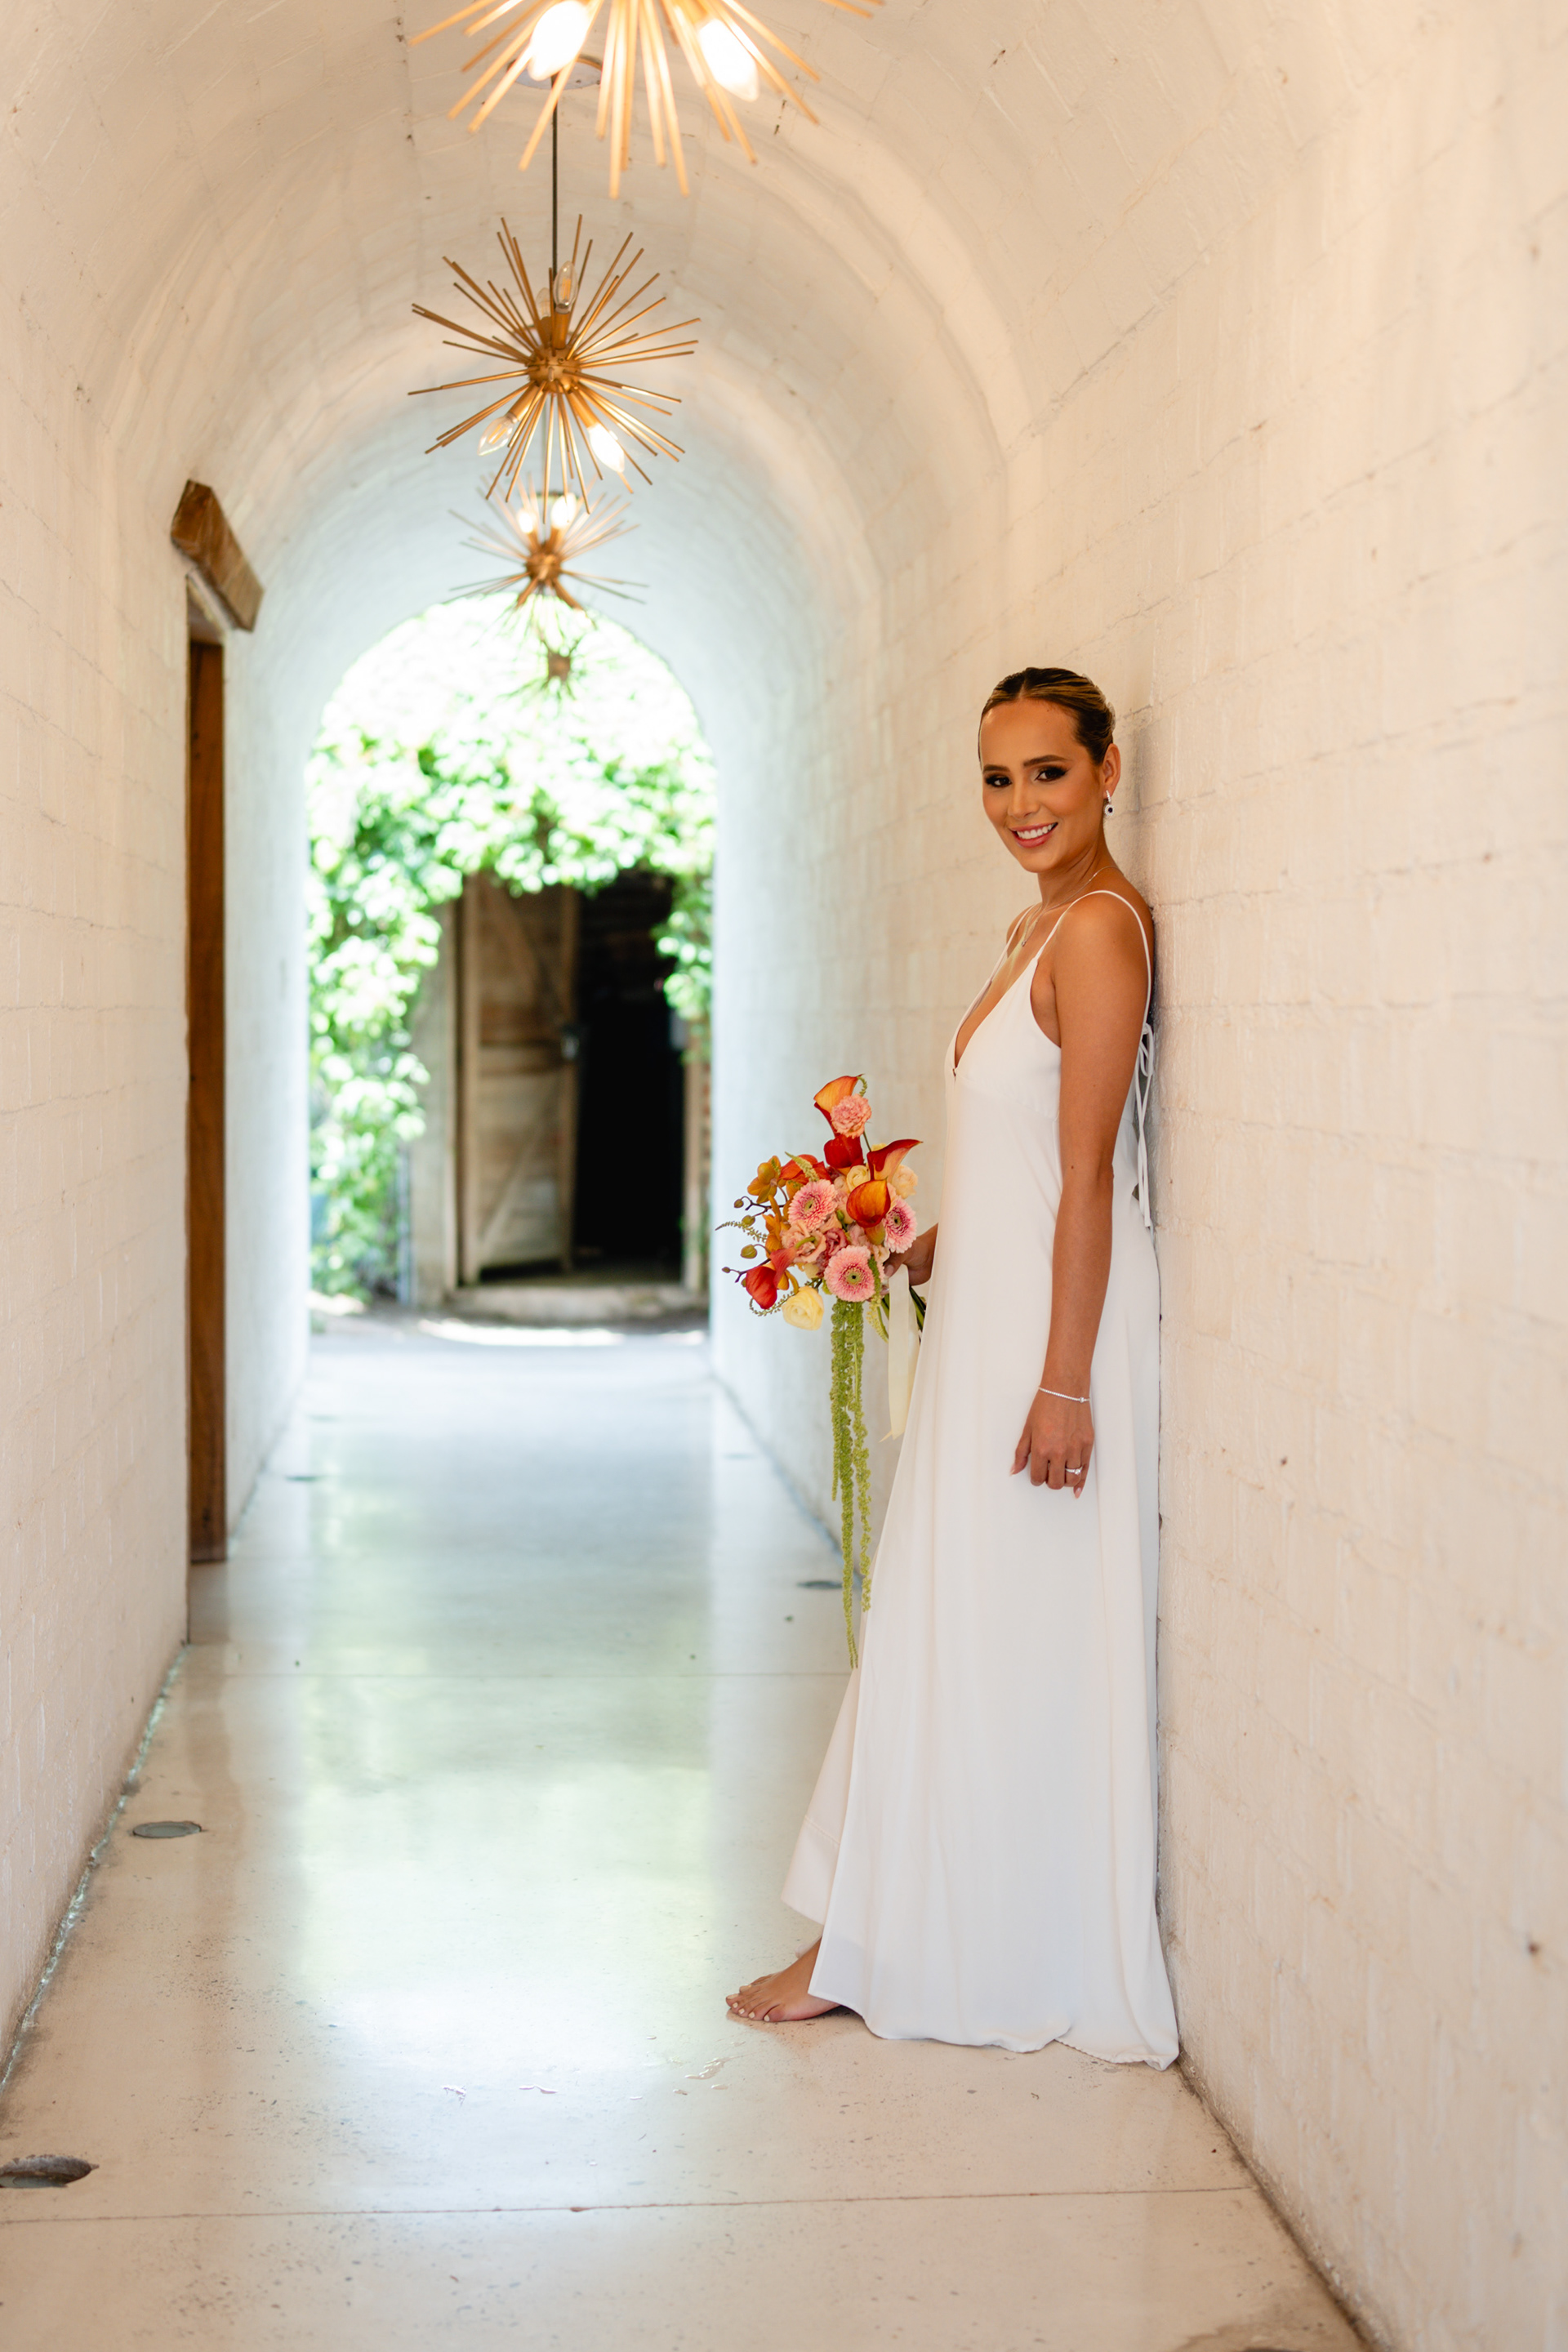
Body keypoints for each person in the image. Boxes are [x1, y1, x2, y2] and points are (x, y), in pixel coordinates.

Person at [727, 667, 1178, 2062]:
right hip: (993, 1317)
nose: (1019, 804)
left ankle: (960, 1944)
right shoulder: (1030, 926)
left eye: (1048, 772)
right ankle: (884, 1929)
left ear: (1109, 771)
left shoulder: (1098, 932)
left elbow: (1090, 1180)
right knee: (951, 1624)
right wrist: (914, 1245)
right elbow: (1020, 1162)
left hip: (1053, 1342)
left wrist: (1064, 1383)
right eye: (996, 778)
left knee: (1010, 1632)